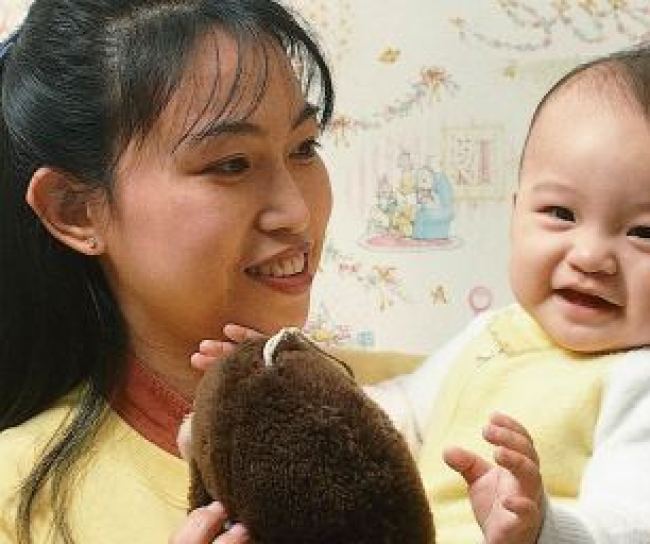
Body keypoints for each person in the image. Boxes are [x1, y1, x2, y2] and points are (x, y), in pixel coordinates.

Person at [197, 45, 650, 543]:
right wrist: (288, 396)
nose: (590, 256)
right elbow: (405, 420)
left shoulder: (638, 380)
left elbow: (632, 525)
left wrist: (543, 527)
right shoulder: (496, 333)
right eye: (561, 214)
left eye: (643, 233)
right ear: (516, 212)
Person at [0, 0, 334, 543]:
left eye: (304, 148)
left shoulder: (440, 406)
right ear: (74, 210)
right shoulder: (14, 500)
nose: (297, 212)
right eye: (231, 164)